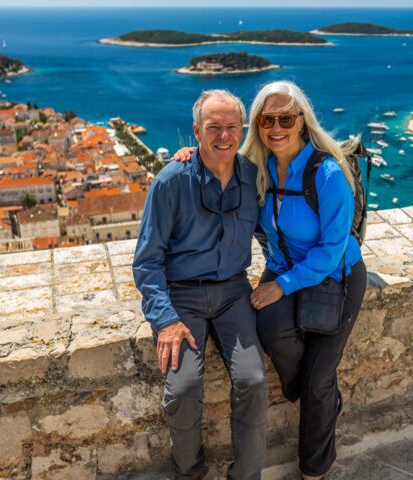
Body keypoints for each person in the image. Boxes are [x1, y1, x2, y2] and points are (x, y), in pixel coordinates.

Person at [174, 80, 367, 480]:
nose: (276, 127)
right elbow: (218, 157)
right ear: (258, 124)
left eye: (285, 118)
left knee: (317, 377)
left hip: (335, 277)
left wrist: (282, 284)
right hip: (285, 271)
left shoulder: (327, 173)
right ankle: (322, 400)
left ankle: (314, 466)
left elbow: (331, 251)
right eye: (267, 119)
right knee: (269, 328)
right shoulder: (257, 167)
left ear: (302, 121)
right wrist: (191, 154)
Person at [133, 89, 267, 480]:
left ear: (241, 130)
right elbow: (147, 261)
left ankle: (245, 475)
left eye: (231, 127)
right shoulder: (171, 181)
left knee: (254, 383)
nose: (223, 136)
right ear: (196, 131)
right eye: (214, 128)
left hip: (233, 293)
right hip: (183, 296)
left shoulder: (252, 176)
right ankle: (190, 472)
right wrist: (165, 320)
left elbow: (272, 235)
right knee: (184, 390)